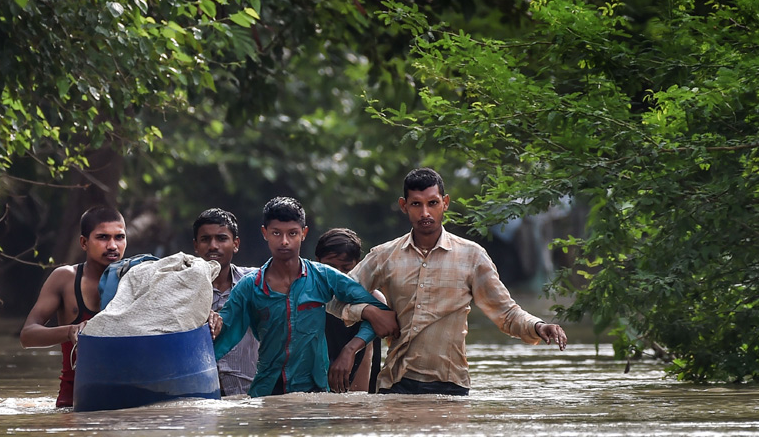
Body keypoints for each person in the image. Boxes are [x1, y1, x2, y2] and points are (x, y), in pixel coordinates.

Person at [332, 167, 567, 395]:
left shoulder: (472, 256)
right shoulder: (384, 256)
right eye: (416, 204)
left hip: (451, 385)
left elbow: (506, 313)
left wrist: (538, 326)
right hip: (396, 384)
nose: (425, 213)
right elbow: (334, 300)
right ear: (404, 206)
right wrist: (369, 313)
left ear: (445, 203)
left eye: (432, 203)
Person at [210, 197, 396, 397]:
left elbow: (381, 313)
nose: (284, 241)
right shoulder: (250, 287)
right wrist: (211, 321)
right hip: (268, 393)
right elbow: (222, 334)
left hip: (315, 393)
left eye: (292, 233)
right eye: (276, 233)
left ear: (304, 233)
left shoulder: (323, 276)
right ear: (265, 233)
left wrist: (350, 350)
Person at [20, 206, 127, 408]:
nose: (112, 245)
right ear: (84, 242)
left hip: (126, 400)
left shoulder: (136, 278)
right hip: (73, 405)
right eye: (103, 237)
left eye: (119, 237)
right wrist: (71, 331)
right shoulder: (65, 278)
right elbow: (27, 335)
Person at [193, 208, 259, 396]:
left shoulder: (256, 282)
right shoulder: (183, 290)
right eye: (205, 239)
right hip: (199, 397)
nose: (213, 246)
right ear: (195, 246)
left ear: (235, 244)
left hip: (248, 396)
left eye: (221, 238)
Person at [314, 227, 382, 393]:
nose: (338, 275)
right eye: (330, 268)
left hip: (362, 387)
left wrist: (356, 406)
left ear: (358, 266)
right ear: (317, 263)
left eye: (346, 268)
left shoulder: (372, 298)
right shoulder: (311, 298)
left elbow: (367, 357)